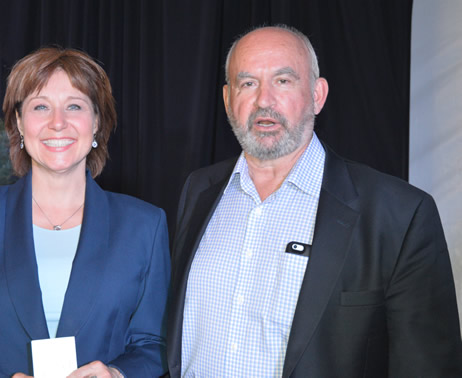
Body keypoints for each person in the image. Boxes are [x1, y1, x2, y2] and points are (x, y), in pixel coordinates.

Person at [167, 24, 462, 377]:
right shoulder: (198, 190)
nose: (264, 100)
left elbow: (428, 367)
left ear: (318, 95)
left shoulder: (398, 214)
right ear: (228, 99)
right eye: (248, 83)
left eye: (283, 81)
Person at [0, 47, 170, 377]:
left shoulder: (145, 226)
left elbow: (154, 344)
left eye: (74, 106)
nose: (57, 123)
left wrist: (117, 374)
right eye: (40, 107)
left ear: (97, 122)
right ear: (19, 122)